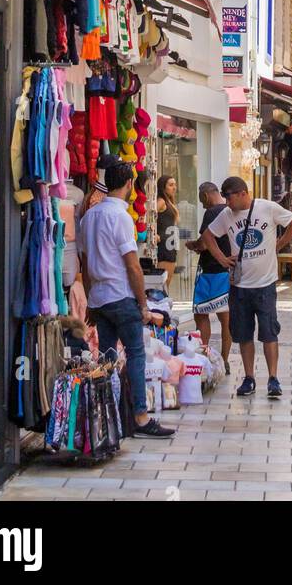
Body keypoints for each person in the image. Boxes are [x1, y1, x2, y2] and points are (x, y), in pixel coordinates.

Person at [77, 158, 172, 438]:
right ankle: (140, 418)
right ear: (130, 184)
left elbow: (85, 260)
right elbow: (132, 264)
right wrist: (143, 304)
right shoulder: (121, 217)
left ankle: (111, 415)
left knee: (106, 357)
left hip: (99, 298)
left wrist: (92, 297)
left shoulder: (89, 216)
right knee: (135, 354)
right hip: (120, 295)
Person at [201, 177, 292, 399]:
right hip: (240, 286)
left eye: (229, 197)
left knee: (269, 333)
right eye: (225, 197)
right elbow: (207, 236)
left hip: (265, 284)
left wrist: (279, 244)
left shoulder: (267, 207)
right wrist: (221, 259)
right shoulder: (226, 215)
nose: (227, 202)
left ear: (242, 193)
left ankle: (273, 378)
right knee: (244, 334)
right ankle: (249, 378)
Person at [187, 182, 232, 373]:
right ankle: (225, 360)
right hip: (227, 272)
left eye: (201, 198)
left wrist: (193, 245)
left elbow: (205, 242)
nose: (202, 204)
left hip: (211, 272)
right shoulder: (230, 210)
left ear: (205, 195)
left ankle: (204, 355)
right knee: (226, 319)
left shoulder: (212, 212)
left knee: (201, 315)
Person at [155, 174, 179, 287]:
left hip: (171, 245)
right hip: (164, 246)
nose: (174, 187)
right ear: (163, 187)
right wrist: (154, 234)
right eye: (170, 185)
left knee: (166, 282)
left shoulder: (169, 202)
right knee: (163, 284)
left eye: (174, 184)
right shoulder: (161, 201)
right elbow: (149, 216)